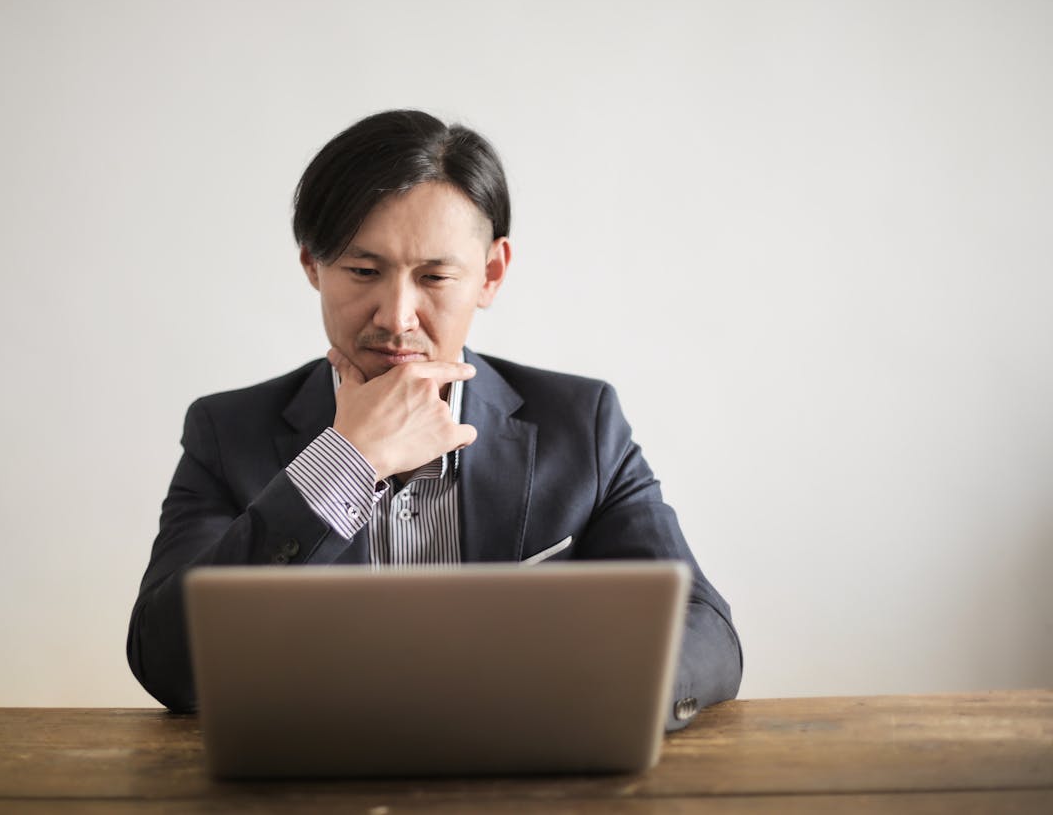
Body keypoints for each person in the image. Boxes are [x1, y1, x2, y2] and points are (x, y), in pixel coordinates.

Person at [127, 109, 742, 730]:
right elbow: (169, 662)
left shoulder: (582, 425)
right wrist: (345, 461)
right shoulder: (227, 432)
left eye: (435, 276)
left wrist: (569, 696)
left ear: (490, 274)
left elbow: (706, 631)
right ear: (312, 263)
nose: (397, 317)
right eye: (363, 271)